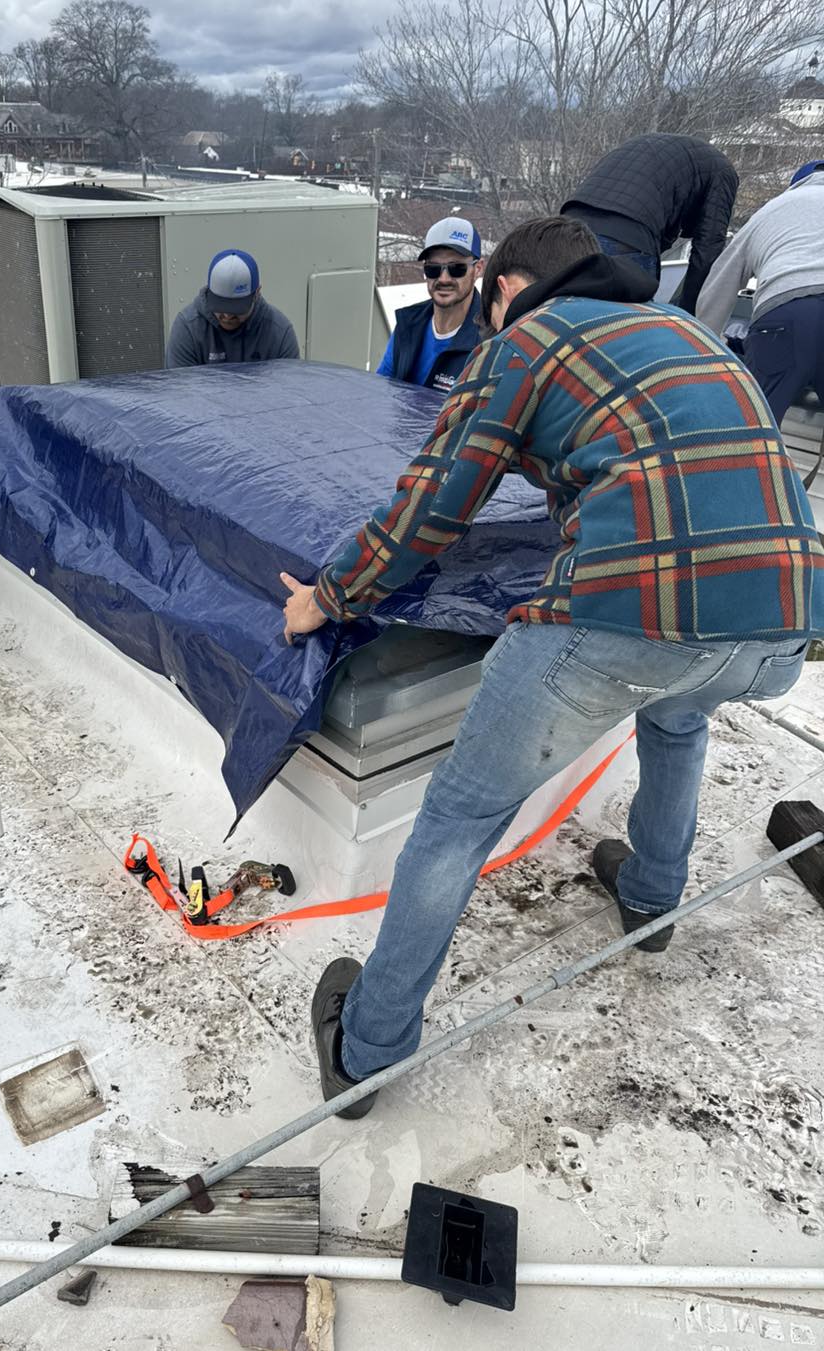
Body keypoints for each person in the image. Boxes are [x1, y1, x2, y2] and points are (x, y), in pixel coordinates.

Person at [277, 216, 823, 1120]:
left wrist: (328, 596)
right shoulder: (686, 330)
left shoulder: (527, 342)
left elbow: (431, 507)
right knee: (679, 711)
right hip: (782, 632)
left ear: (504, 287)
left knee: (458, 816)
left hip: (623, 620)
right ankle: (651, 898)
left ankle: (366, 1048)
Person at [696, 160, 824, 427]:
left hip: (787, 310)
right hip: (793, 309)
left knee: (755, 428)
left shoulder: (773, 209)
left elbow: (722, 279)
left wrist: (704, 345)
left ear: (796, 184)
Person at [562, 134, 738, 313]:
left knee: (562, 318)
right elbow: (708, 250)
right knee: (625, 328)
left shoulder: (668, 157)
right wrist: (688, 316)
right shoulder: (724, 173)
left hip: (566, 228)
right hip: (625, 234)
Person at [376, 217, 484, 393]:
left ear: (478, 268)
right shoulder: (408, 324)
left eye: (457, 268)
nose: (443, 279)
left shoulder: (489, 340)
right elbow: (381, 390)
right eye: (433, 269)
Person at [165, 249, 299, 367]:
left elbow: (289, 390)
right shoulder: (188, 328)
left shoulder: (279, 333)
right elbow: (181, 391)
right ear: (209, 293)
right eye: (220, 306)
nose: (227, 316)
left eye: (236, 308)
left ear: (257, 294)